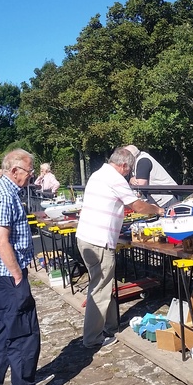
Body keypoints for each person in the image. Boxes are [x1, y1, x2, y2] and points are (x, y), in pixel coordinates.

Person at [76, 148, 166, 349]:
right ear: (124, 165)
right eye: (129, 169)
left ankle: (111, 325)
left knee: (103, 284)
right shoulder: (114, 178)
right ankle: (92, 338)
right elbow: (138, 207)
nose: (129, 174)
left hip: (86, 237)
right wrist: (159, 210)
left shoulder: (98, 174)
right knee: (99, 289)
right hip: (99, 241)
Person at [0, 149, 40, 385]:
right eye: (29, 171)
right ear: (14, 171)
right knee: (24, 335)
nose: (31, 177)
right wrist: (16, 275)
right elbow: (1, 239)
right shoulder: (5, 195)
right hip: (7, 275)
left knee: (2, 333)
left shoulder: (5, 191)